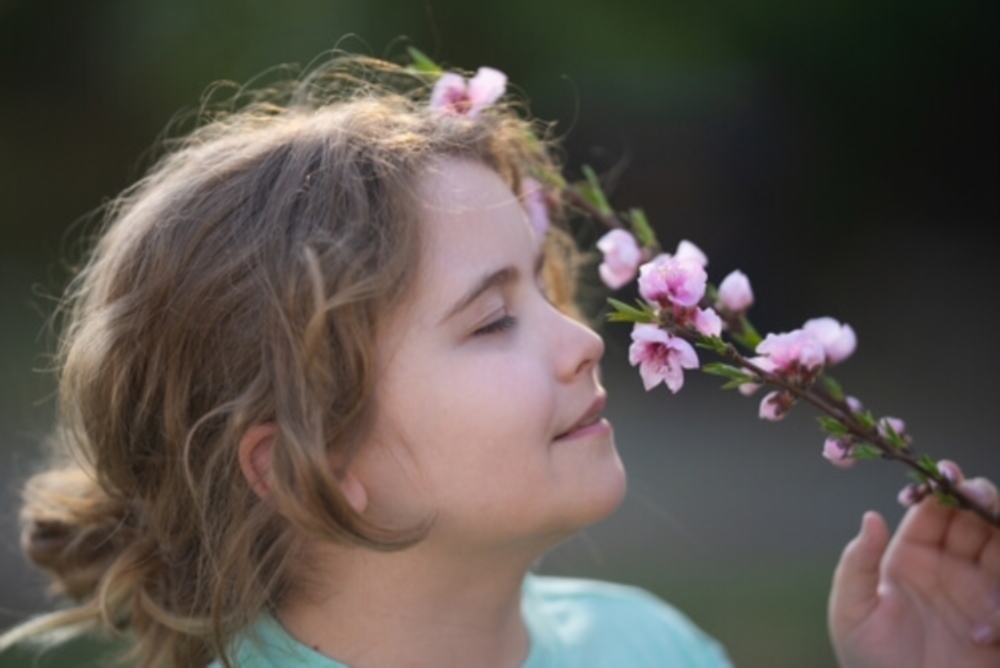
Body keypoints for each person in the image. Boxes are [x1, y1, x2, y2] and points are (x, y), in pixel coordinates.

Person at [1, 54, 997, 668]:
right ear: (301, 456)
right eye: (490, 322)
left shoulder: (654, 647)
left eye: (543, 288)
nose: (581, 340)